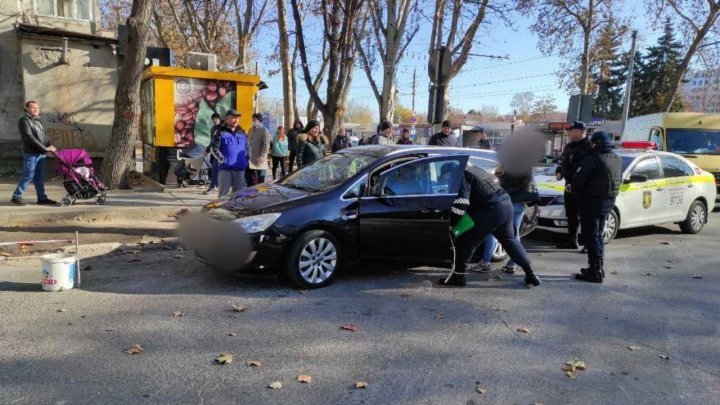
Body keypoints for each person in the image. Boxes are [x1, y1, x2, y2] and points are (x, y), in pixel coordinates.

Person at [440, 165, 542, 287]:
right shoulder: (475, 169)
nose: (446, 181)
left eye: (445, 178)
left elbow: (462, 203)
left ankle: (458, 277)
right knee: (510, 240)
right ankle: (531, 275)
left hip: (490, 209)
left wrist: (453, 224)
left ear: (450, 173)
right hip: (505, 205)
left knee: (466, 240)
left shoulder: (461, 175)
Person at [571, 131, 622, 283]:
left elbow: (578, 181)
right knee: (598, 235)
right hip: (608, 202)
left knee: (592, 236)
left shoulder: (593, 159)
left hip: (592, 202)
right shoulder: (617, 158)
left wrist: (575, 190)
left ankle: (595, 271)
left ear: (596, 143)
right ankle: (598, 267)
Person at [11, 101, 57, 206]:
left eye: (37, 108)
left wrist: (50, 145)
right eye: (33, 107)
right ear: (27, 108)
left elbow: (44, 137)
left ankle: (42, 198)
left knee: (40, 176)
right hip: (31, 153)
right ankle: (16, 196)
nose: (36, 109)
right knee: (28, 175)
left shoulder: (37, 120)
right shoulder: (24, 120)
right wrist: (45, 148)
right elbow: (29, 137)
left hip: (41, 153)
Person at [555, 121, 593, 249]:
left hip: (583, 187)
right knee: (571, 214)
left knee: (585, 216)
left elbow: (588, 168)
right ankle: (572, 240)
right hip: (569, 185)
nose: (570, 132)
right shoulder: (569, 146)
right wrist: (559, 171)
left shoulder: (589, 147)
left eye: (572, 130)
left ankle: (588, 244)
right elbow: (562, 161)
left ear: (580, 132)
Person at [212, 109, 250, 198]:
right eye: (233, 118)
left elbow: (247, 148)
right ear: (226, 119)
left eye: (237, 118)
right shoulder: (220, 132)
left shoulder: (242, 132)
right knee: (222, 196)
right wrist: (222, 160)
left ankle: (235, 212)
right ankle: (220, 212)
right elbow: (214, 148)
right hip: (225, 170)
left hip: (240, 170)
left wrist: (245, 160)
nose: (236, 120)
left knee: (238, 197)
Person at [247, 112, 271, 185]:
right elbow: (247, 143)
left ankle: (260, 195)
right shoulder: (250, 130)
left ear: (260, 120)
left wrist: (262, 157)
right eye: (252, 119)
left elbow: (266, 145)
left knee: (261, 179)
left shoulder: (264, 130)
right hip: (250, 158)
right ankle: (250, 192)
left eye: (255, 119)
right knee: (249, 177)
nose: (253, 121)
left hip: (260, 159)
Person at [203, 112, 223, 194]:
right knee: (215, 171)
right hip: (214, 153)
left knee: (216, 170)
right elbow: (212, 141)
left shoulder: (223, 128)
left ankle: (212, 188)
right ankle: (214, 187)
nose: (214, 120)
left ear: (219, 119)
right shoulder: (213, 129)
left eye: (216, 119)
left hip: (221, 153)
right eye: (213, 119)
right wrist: (207, 150)